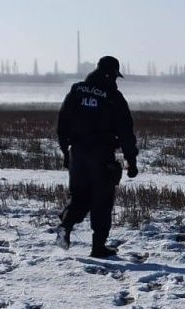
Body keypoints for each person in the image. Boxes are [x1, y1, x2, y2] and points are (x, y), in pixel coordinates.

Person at [56, 55, 139, 258]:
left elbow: (62, 123)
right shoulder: (113, 97)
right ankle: (98, 247)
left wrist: (65, 152)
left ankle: (65, 226)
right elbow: (126, 131)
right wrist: (131, 161)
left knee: (80, 197)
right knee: (102, 201)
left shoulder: (76, 91)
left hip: (77, 153)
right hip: (101, 156)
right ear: (111, 74)